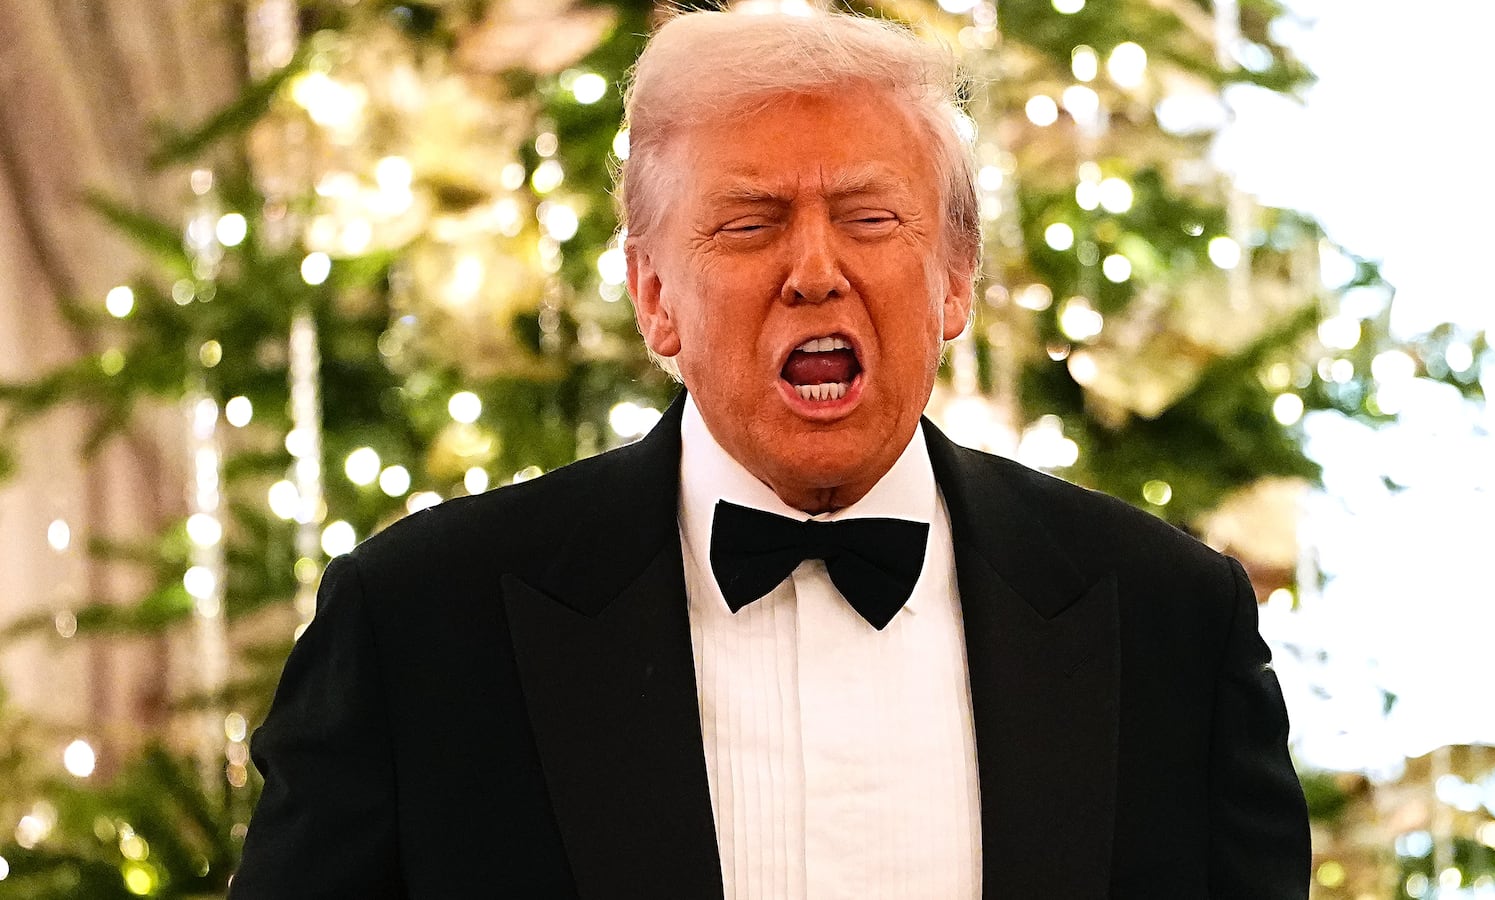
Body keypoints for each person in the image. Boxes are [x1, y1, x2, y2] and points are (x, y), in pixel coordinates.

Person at [230, 8, 1310, 899]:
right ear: (654, 296)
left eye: (870, 218)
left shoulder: (1170, 622)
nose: (815, 272)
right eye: (748, 224)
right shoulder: (419, 625)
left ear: (954, 278)